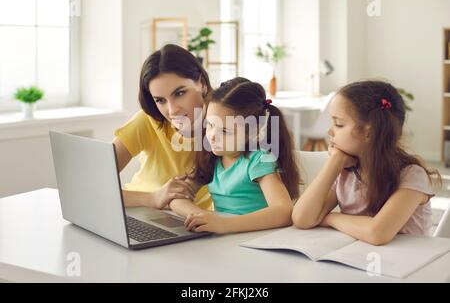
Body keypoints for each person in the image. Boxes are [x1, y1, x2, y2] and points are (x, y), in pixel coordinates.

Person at [292, 81, 441, 245]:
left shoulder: (411, 175)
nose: (330, 131)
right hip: (362, 259)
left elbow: (377, 233)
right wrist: (335, 161)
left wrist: (330, 218)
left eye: (339, 124)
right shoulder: (346, 170)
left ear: (369, 132)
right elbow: (301, 218)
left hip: (410, 265)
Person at [169, 77, 301, 234]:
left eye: (225, 131)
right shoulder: (213, 158)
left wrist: (224, 224)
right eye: (210, 125)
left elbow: (284, 211)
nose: (211, 136)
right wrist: (200, 214)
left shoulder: (258, 160)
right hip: (225, 240)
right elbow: (177, 197)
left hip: (254, 238)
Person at [113, 44, 213, 210]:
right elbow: (94, 185)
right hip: (135, 209)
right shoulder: (147, 121)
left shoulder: (223, 127)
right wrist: (151, 198)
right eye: (160, 100)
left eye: (180, 93)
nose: (172, 110)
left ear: (201, 83)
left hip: (187, 220)